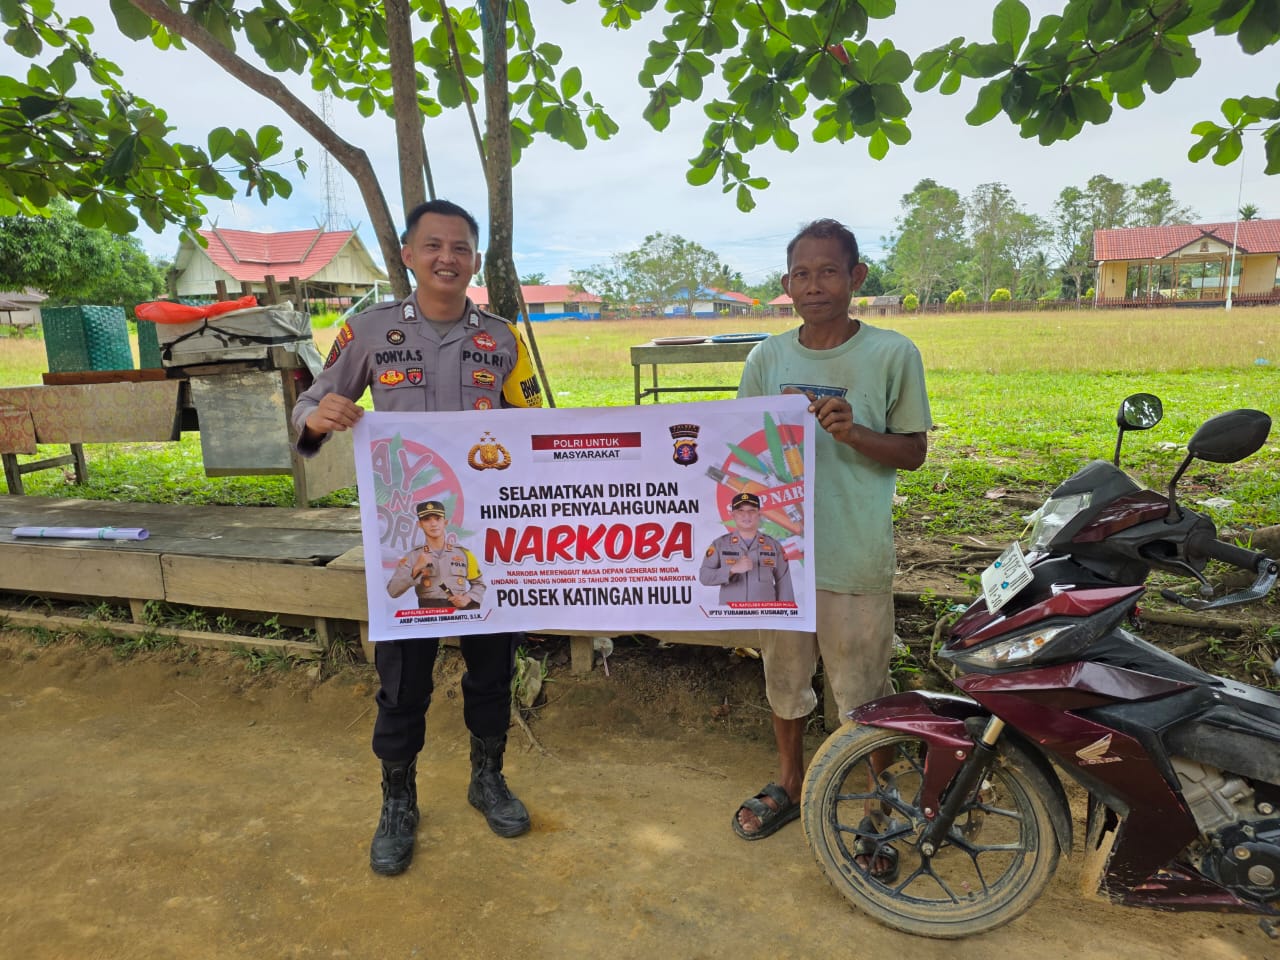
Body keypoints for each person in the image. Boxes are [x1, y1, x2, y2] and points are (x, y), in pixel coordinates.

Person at [290, 198, 543, 876]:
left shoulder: (502, 338)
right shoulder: (370, 331)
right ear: (407, 254)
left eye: (460, 247)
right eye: (432, 245)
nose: (447, 258)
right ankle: (396, 799)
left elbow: (535, 425)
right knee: (403, 680)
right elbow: (309, 403)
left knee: (493, 666)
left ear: (474, 261)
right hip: (405, 538)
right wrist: (323, 414)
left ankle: (487, 777)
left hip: (488, 542)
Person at [731, 219, 931, 861]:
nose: (812, 285)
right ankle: (789, 780)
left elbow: (913, 452)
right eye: (800, 273)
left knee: (863, 688)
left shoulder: (891, 354)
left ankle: (881, 804)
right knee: (784, 675)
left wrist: (854, 433)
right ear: (785, 282)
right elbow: (736, 446)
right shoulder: (767, 358)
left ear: (856, 278)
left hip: (853, 551)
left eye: (827, 271)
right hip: (780, 556)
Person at [387, 500, 486, 611]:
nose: (433, 524)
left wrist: (468, 598)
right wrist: (416, 569)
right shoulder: (412, 556)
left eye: (438, 519)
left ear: (445, 522)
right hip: (428, 618)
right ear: (419, 524)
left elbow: (479, 584)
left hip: (458, 617)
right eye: (426, 519)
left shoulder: (464, 554)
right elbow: (392, 591)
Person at [698, 492, 795, 605]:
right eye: (741, 511)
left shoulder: (774, 546)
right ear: (733, 514)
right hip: (731, 616)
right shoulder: (719, 544)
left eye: (752, 510)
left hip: (764, 616)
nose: (746, 515)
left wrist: (786, 618)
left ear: (759, 514)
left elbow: (784, 584)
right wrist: (731, 570)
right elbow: (704, 577)